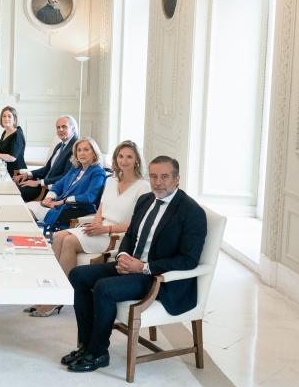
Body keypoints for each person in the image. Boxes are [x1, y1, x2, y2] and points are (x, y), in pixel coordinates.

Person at [64, 156, 207, 373]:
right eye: (154, 176)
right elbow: (131, 235)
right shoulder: (146, 200)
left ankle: (98, 352)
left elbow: (188, 260)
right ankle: (85, 345)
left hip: (158, 278)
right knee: (78, 275)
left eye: (165, 177)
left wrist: (143, 267)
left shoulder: (191, 212)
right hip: (132, 266)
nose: (158, 182)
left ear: (177, 179)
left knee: (104, 288)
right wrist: (122, 256)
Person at [28, 140, 148, 318]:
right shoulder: (112, 181)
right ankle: (52, 291)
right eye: (121, 156)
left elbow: (138, 224)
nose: (124, 161)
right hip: (100, 228)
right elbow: (101, 209)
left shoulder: (143, 187)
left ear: (137, 160)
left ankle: (58, 299)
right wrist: (96, 224)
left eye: (129, 157)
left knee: (69, 241)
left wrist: (105, 229)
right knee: (59, 236)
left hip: (117, 235)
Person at [25, 138, 107, 234]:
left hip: (77, 210)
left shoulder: (98, 172)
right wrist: (49, 197)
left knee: (28, 209)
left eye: (86, 149)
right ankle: (29, 238)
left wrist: (63, 201)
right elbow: (58, 185)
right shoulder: (75, 169)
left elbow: (89, 197)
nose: (82, 153)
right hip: (60, 207)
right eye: (79, 150)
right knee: (27, 207)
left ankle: (29, 238)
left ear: (94, 153)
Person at [14, 115, 78, 202]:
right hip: (43, 182)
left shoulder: (76, 147)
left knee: (16, 193)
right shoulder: (59, 146)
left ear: (73, 129)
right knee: (15, 185)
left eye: (64, 127)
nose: (60, 130)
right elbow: (47, 169)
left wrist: (39, 183)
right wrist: (28, 174)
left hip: (50, 189)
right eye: (58, 127)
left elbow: (66, 176)